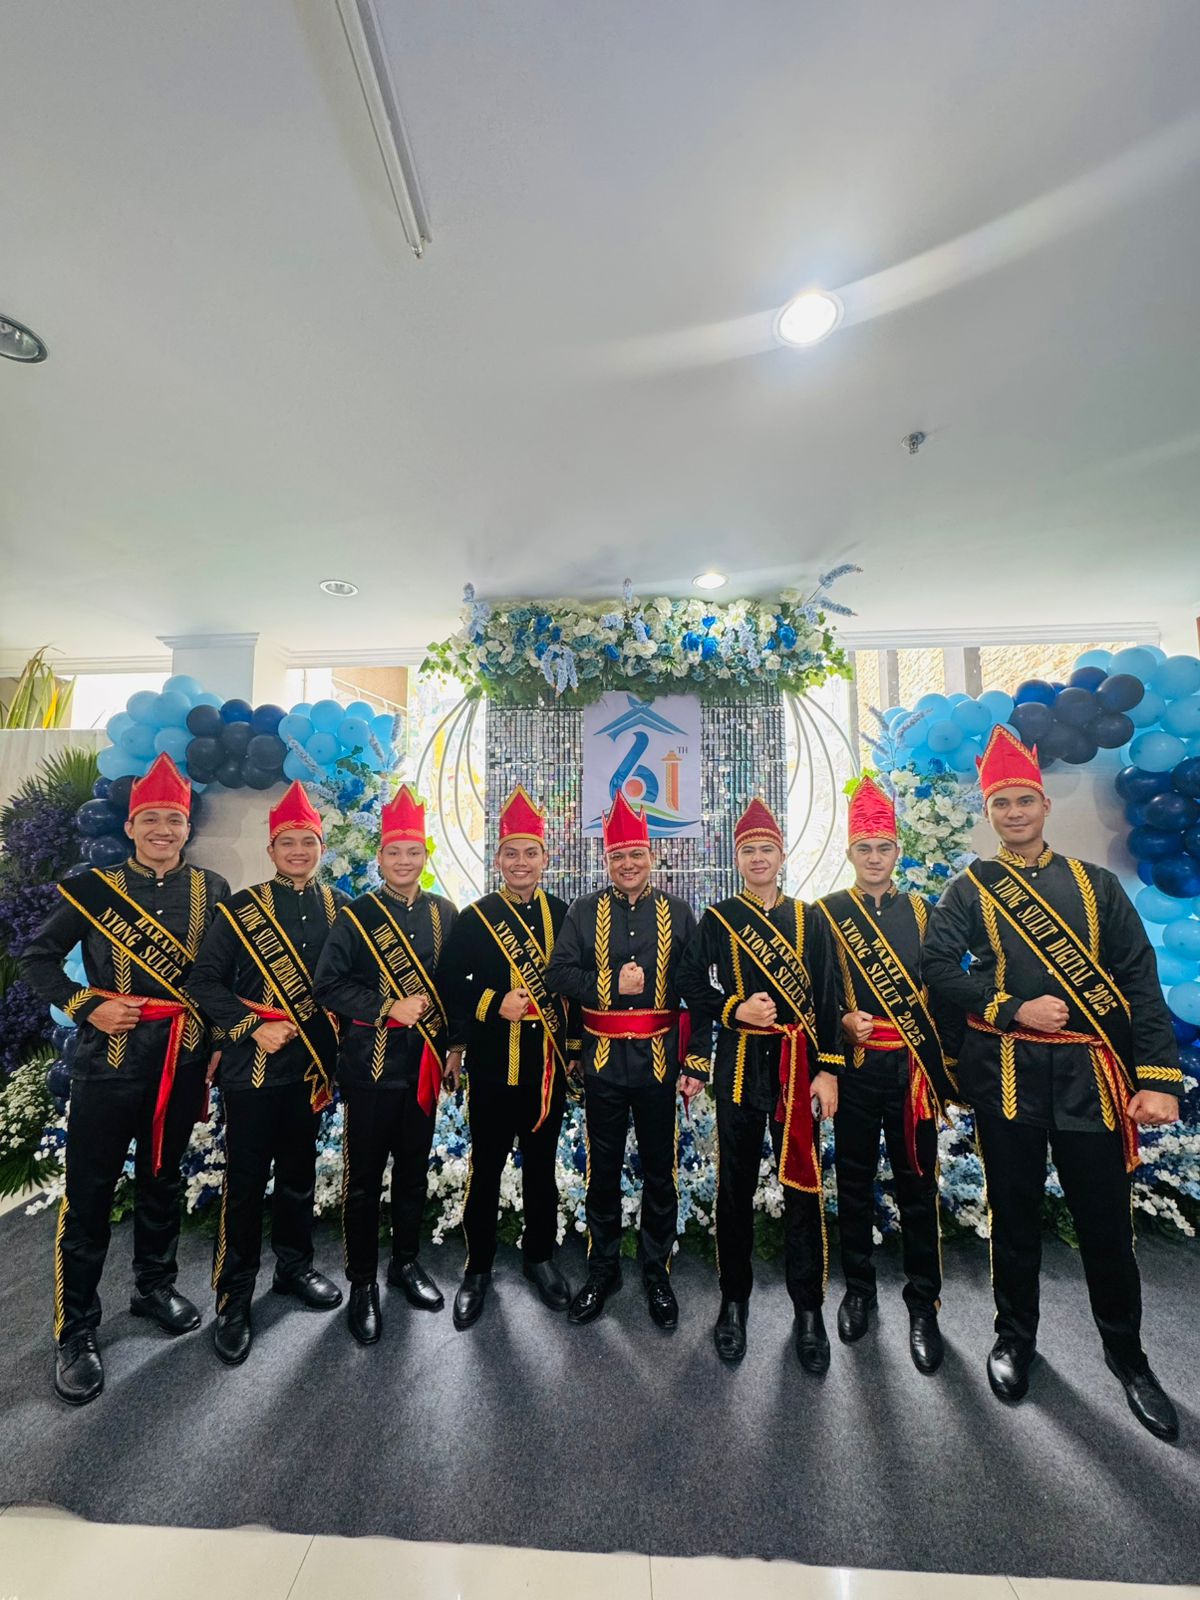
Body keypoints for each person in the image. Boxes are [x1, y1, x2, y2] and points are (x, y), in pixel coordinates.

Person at [924, 725, 1184, 1439]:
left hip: (1090, 1078)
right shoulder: (969, 888)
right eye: (1000, 803)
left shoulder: (1097, 885)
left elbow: (1139, 981)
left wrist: (1157, 1078)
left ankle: (1128, 1357)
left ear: (1043, 805)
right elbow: (937, 970)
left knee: (1106, 1225)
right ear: (988, 813)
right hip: (1005, 1074)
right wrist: (1010, 1006)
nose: (1013, 813)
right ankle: (1015, 1339)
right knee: (1012, 1220)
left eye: (1023, 801)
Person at [22, 753, 229, 1405]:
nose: (163, 830)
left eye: (174, 820)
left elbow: (220, 976)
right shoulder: (93, 889)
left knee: (162, 1183)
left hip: (179, 1062)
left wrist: (217, 1042)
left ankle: (153, 1288)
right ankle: (76, 1330)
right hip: (106, 1065)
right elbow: (37, 958)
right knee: (88, 1197)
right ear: (132, 825)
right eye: (152, 819)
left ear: (186, 827)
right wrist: (87, 1004)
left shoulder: (213, 889)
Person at [186, 780, 347, 1365]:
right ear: (271, 848)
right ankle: (233, 1297)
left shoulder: (341, 908)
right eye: (288, 842)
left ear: (321, 847)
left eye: (308, 842)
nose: (299, 851)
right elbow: (203, 982)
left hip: (310, 1068)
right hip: (252, 1066)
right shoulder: (239, 909)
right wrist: (250, 1026)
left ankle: (294, 1268)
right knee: (246, 1183)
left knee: (300, 1175)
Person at [678, 798, 842, 1370]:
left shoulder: (809, 918)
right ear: (737, 859)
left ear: (782, 855)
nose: (757, 858)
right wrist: (732, 1010)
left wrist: (828, 1070)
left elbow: (828, 996)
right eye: (748, 850)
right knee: (734, 1189)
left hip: (797, 1070)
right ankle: (734, 1301)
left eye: (766, 849)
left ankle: (808, 1308)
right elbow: (689, 983)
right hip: (740, 1070)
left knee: (803, 1189)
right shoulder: (719, 918)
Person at [313, 784, 464, 1344]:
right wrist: (385, 1007)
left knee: (413, 1171)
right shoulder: (356, 917)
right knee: (363, 1180)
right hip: (370, 1065)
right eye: (394, 852)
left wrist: (454, 1048)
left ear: (425, 856)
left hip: (424, 1064)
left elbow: (453, 987)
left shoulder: (445, 912)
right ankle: (361, 1282)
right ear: (379, 858)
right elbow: (327, 985)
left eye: (413, 852)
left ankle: (404, 1263)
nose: (404, 861)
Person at [817, 775, 957, 1373]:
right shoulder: (827, 914)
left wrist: (949, 1074)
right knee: (852, 1182)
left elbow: (945, 994)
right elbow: (817, 994)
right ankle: (858, 1289)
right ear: (849, 852)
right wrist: (841, 1025)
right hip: (854, 1070)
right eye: (864, 848)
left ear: (898, 851)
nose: (874, 858)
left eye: (883, 848)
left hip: (911, 1073)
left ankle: (924, 1303)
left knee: (917, 1186)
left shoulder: (925, 913)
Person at [545, 791, 697, 1329]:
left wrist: (696, 1061)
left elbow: (696, 991)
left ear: (651, 855)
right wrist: (610, 985)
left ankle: (657, 1274)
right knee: (603, 1172)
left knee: (660, 1172)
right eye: (617, 856)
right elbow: (558, 975)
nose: (627, 864)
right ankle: (602, 1270)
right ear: (605, 860)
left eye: (636, 854)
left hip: (658, 1065)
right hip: (603, 1065)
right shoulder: (583, 910)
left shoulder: (680, 912)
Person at [440, 785, 581, 1329]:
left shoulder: (565, 914)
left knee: (542, 1170)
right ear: (497, 859)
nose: (521, 862)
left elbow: (574, 992)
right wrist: (492, 1002)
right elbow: (449, 981)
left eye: (531, 853)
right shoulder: (476, 917)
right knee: (486, 1169)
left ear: (546, 859)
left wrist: (573, 1051)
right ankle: (477, 1267)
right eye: (511, 853)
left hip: (546, 1069)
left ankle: (539, 1257)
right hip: (494, 1066)